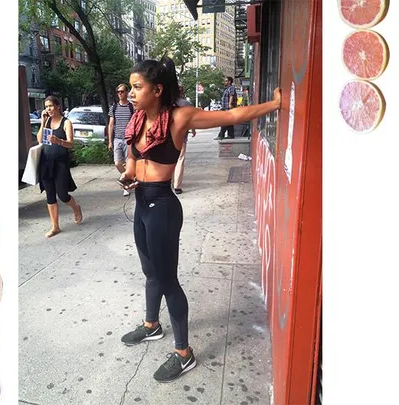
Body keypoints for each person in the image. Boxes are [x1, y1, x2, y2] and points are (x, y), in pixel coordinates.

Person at [117, 57, 282, 383]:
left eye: (138, 87)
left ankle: (184, 353)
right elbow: (134, 158)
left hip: (163, 206)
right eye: (131, 87)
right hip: (141, 204)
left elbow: (233, 115)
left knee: (168, 281)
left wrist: (275, 104)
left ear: (157, 89)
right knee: (150, 272)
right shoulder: (138, 120)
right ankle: (152, 326)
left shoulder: (179, 117)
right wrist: (128, 173)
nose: (131, 93)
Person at [36, 96, 83, 238]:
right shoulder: (47, 121)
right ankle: (55, 226)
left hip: (61, 162)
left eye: (50, 106)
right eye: (46, 106)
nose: (48, 109)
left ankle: (76, 207)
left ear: (57, 106)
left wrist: (58, 141)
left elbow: (70, 143)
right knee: (50, 194)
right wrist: (43, 122)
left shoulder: (66, 122)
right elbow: (39, 139)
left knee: (62, 194)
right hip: (46, 161)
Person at [108, 83, 135, 196]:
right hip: (117, 139)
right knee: (117, 163)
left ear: (127, 92)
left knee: (128, 163)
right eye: (118, 92)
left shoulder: (131, 107)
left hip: (129, 139)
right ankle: (128, 179)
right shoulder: (114, 107)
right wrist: (110, 141)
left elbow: (135, 122)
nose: (120, 94)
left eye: (122, 91)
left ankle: (126, 185)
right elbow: (111, 125)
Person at [172, 84, 196, 194]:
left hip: (168, 137)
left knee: (168, 160)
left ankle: (168, 181)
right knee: (180, 160)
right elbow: (191, 119)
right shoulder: (186, 104)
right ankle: (177, 186)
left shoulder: (168, 104)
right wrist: (193, 130)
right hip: (181, 137)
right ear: (182, 92)